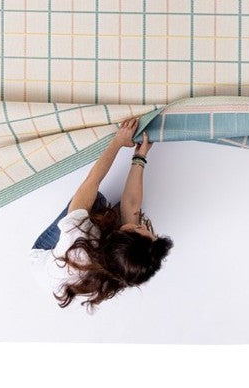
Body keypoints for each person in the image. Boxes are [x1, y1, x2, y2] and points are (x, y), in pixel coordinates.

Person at [28, 117, 173, 311]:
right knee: (125, 214)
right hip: (67, 274)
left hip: (44, 255)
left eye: (139, 228)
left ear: (120, 240)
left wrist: (118, 141)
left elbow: (92, 181)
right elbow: (131, 205)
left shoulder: (77, 236)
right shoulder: (127, 268)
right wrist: (140, 157)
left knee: (97, 200)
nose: (143, 225)